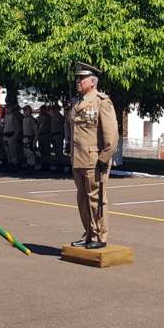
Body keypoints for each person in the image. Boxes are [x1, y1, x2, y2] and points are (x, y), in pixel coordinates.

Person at [65, 63, 119, 249]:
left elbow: (111, 135)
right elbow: (71, 128)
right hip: (78, 158)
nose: (78, 81)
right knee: (83, 199)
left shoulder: (102, 102)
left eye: (82, 78)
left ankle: (99, 236)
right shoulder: (77, 102)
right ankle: (88, 234)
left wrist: (104, 159)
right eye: (77, 78)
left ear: (93, 82)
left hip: (95, 160)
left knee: (96, 199)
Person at [21, 105, 39, 171]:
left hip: (30, 138)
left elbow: (36, 131)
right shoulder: (24, 119)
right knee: (26, 153)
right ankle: (28, 166)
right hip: (25, 138)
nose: (24, 112)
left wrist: (34, 140)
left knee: (30, 154)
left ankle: (31, 168)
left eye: (25, 110)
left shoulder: (32, 119)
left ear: (29, 111)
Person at [50, 104, 66, 171]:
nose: (54, 110)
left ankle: (61, 164)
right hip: (53, 136)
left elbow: (63, 128)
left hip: (58, 135)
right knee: (55, 151)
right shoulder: (53, 117)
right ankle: (58, 164)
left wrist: (61, 137)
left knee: (59, 151)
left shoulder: (61, 118)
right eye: (53, 109)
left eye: (55, 109)